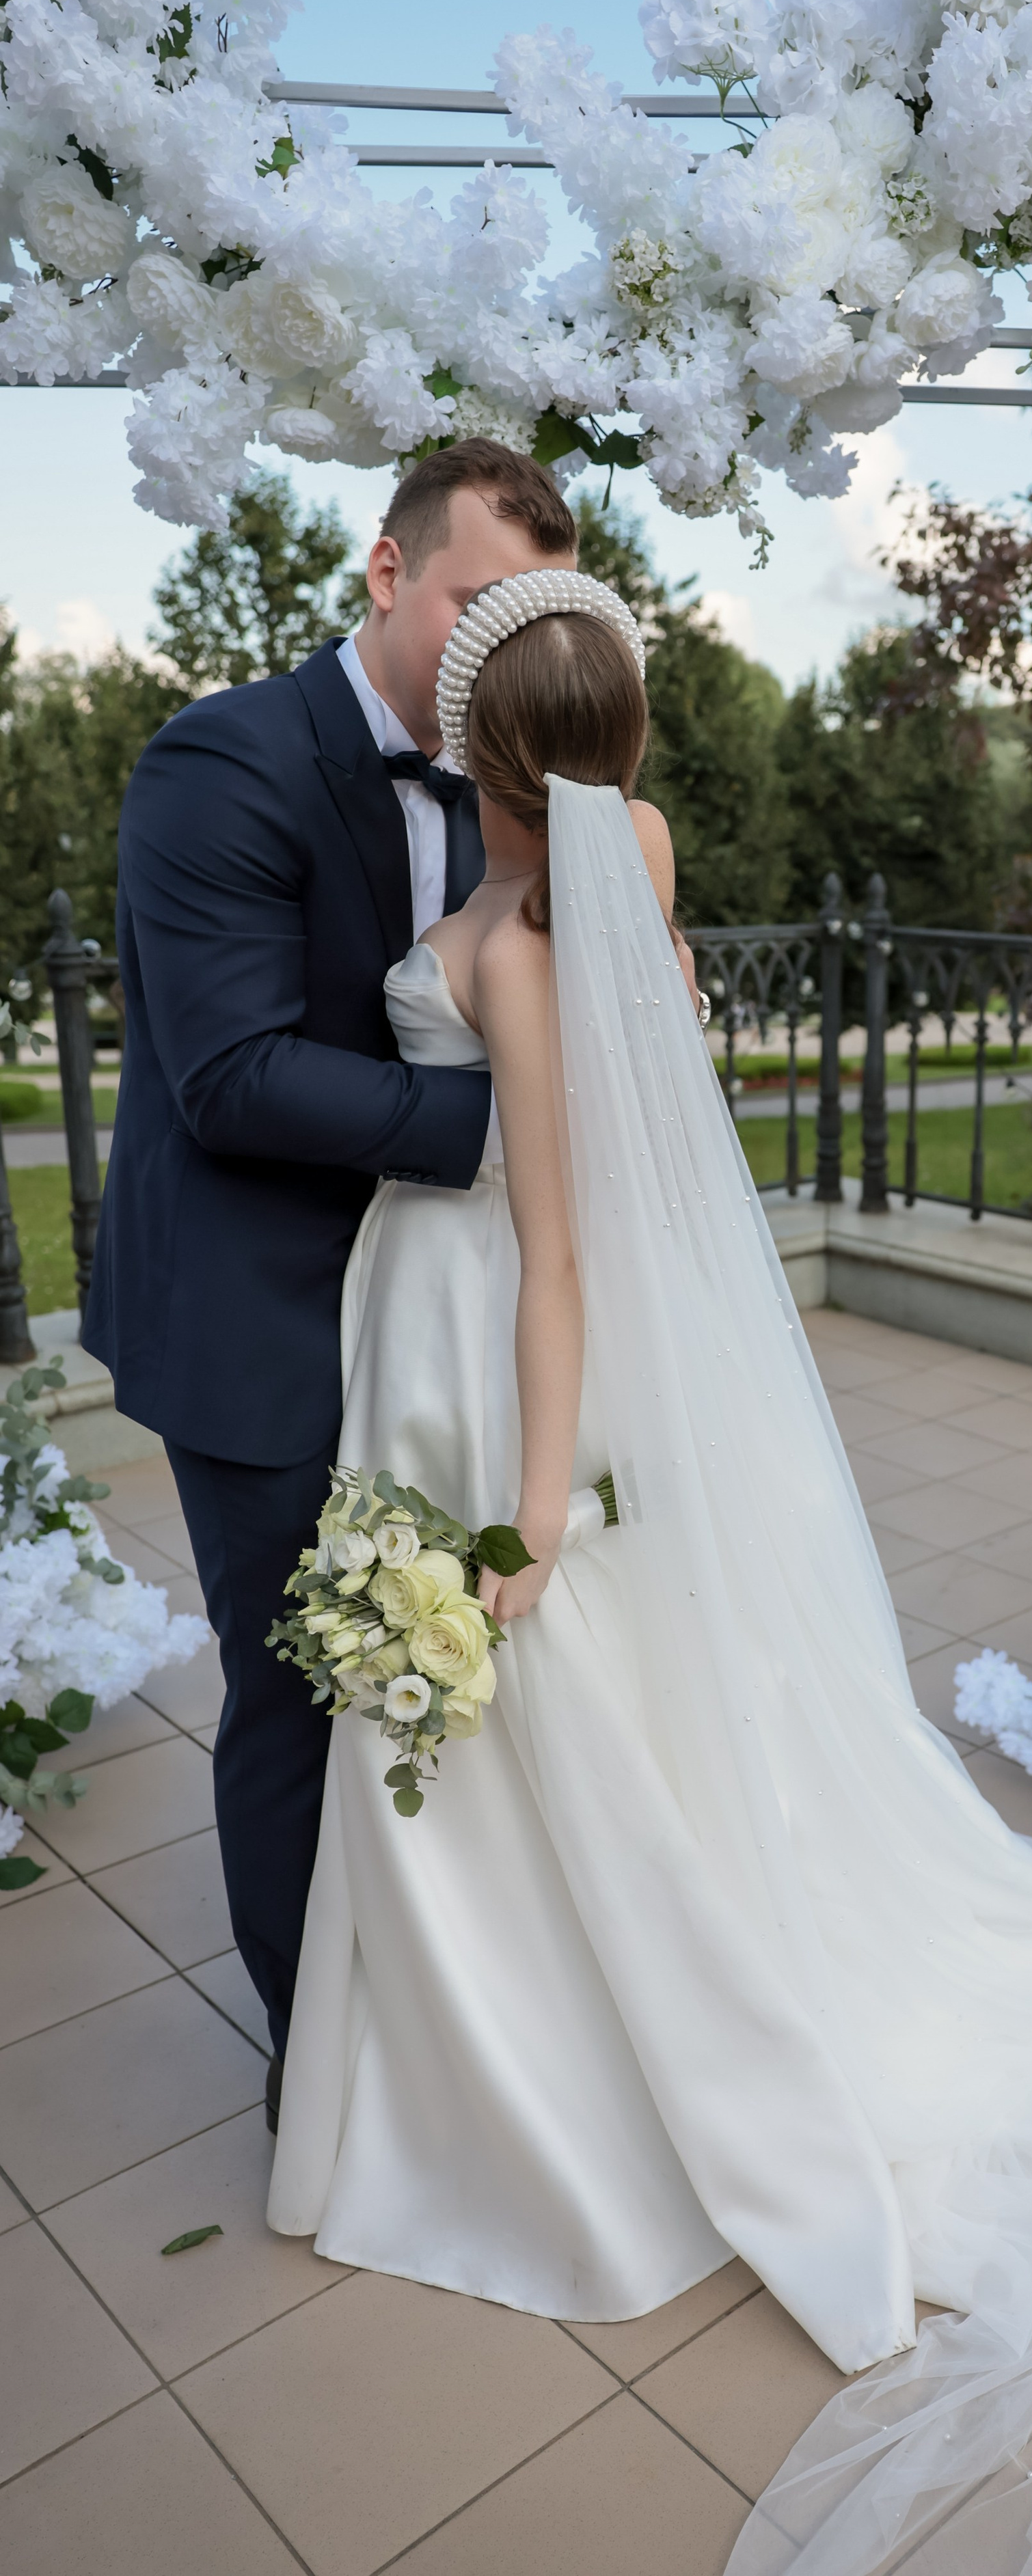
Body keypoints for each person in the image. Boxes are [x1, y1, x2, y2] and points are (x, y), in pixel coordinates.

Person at [267, 571, 1032, 2576]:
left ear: (477, 758)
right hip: (470, 1340)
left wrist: (536, 1514)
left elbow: (559, 1248)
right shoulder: (626, 841)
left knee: (549, 1716)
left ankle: (542, 2115)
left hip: (507, 1365)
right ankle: (464, 2078)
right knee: (579, 1743)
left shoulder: (515, 941)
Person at [85, 441, 580, 2113]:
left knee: (454, 1676)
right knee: (304, 1696)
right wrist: (520, 1124)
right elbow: (231, 1075)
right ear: (384, 575)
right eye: (464, 606)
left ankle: (453, 2017)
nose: (486, 652)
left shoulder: (529, 777)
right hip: (260, 1314)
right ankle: (332, 2080)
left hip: (443, 1315)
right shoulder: (218, 763)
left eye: (522, 618)